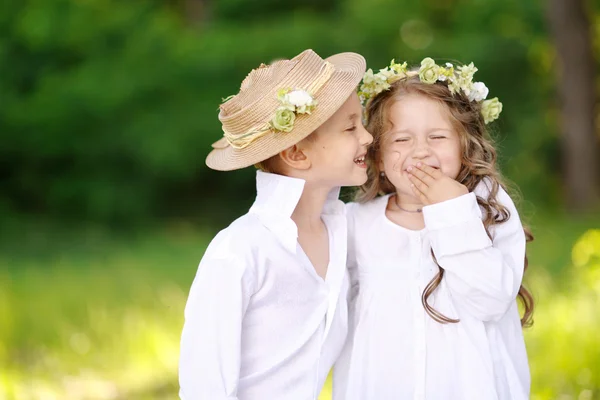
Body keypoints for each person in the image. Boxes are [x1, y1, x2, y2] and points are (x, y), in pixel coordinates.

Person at [333, 58, 534, 400]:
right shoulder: (356, 223)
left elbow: (490, 300)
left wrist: (452, 211)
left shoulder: (488, 208)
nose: (421, 152)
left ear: (464, 145)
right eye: (401, 140)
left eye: (438, 137)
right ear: (378, 156)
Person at [179, 48, 373, 400]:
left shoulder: (345, 230)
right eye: (350, 128)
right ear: (296, 154)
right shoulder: (240, 251)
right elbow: (203, 384)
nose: (368, 138)